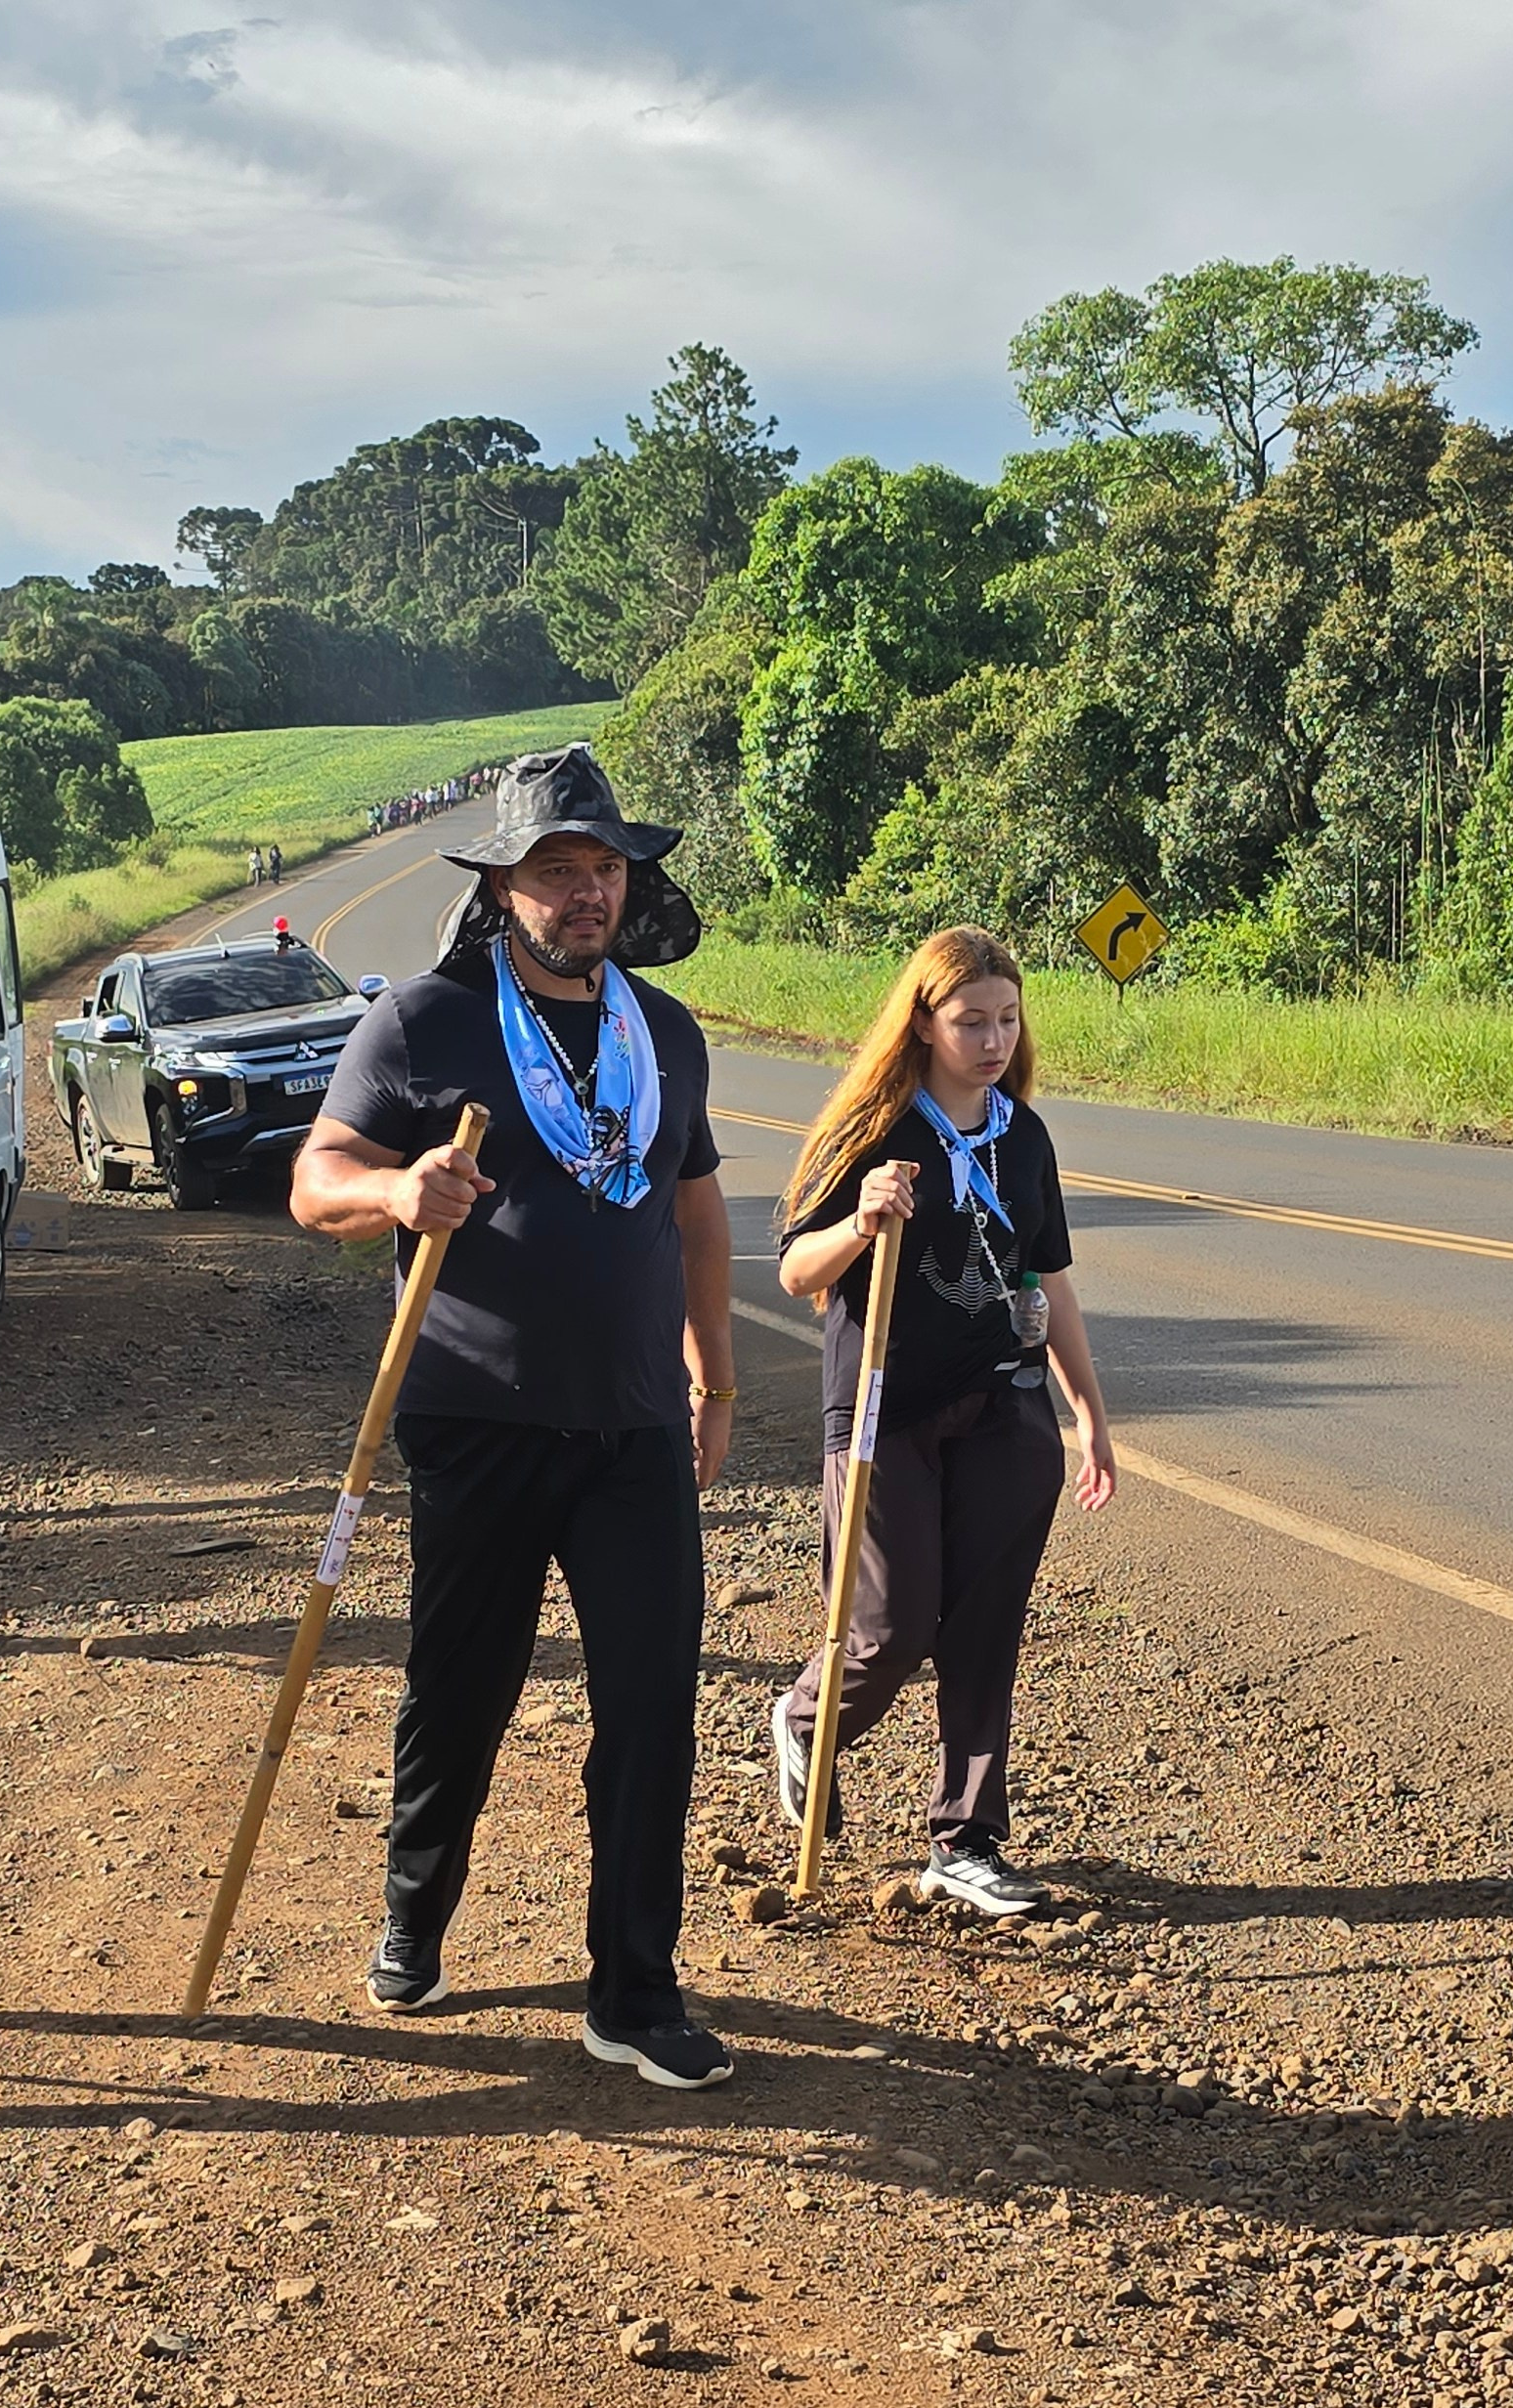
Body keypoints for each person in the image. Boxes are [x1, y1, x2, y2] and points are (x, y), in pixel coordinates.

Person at [294, 744, 737, 2090]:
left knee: (654, 1703)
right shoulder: (425, 1021)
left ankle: (635, 1989)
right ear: (503, 887)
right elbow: (319, 1178)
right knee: (464, 1690)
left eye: (605, 867)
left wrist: (712, 1372)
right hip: (472, 1419)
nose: (589, 890)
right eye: (560, 869)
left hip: (635, 1429)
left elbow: (699, 1213)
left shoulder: (664, 1032)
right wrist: (396, 1191)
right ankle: (414, 1915)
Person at [769, 925, 1115, 1918]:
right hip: (883, 1411)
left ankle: (962, 1842)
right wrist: (861, 1219)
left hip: (1004, 1404)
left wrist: (1087, 1412)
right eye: (970, 1021)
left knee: (982, 1630)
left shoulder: (1023, 1135)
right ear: (920, 1020)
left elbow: (1048, 1279)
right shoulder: (868, 1132)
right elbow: (797, 1272)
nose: (992, 1039)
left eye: (1006, 1019)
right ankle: (804, 1717)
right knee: (889, 1627)